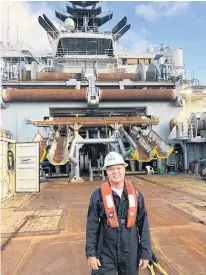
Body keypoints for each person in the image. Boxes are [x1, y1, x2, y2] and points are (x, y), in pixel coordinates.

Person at [86, 152, 152, 275]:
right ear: (106, 171)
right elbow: (92, 226)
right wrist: (91, 254)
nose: (115, 172)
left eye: (118, 168)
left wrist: (146, 253)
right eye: (111, 169)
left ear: (124, 169)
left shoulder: (137, 196)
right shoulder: (97, 196)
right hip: (105, 250)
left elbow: (144, 226)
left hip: (130, 250)